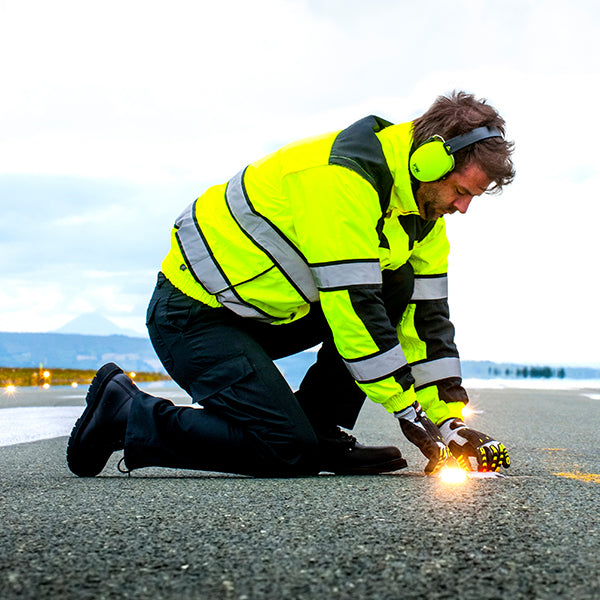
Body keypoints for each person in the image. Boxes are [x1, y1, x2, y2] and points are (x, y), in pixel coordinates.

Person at [67, 90, 514, 479]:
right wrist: (409, 413)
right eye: (462, 191)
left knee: (399, 281)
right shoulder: (342, 180)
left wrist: (449, 421)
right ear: (429, 161)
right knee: (287, 449)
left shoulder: (423, 214)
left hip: (265, 314)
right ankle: (126, 414)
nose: (463, 207)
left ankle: (319, 429)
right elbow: (355, 310)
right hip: (192, 317)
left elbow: (427, 323)